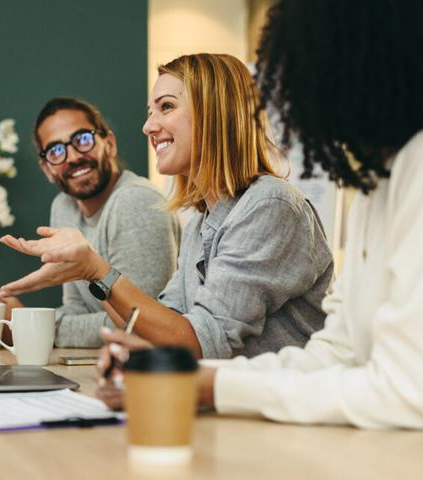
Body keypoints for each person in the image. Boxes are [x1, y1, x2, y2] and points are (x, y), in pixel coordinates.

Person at [97, 0, 423, 429]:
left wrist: (210, 385)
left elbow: (406, 393)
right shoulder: (374, 186)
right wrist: (192, 377)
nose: (287, 98)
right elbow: (333, 355)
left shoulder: (276, 203)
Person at [0, 54, 334, 359]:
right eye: (150, 112)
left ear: (213, 112)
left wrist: (94, 270)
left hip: (279, 417)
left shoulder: (269, 205)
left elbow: (199, 342)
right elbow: (159, 327)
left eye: (167, 107)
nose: (148, 126)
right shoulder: (201, 223)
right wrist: (89, 275)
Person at [0, 97, 179, 347]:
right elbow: (77, 308)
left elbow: (140, 328)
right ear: (47, 169)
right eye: (56, 151)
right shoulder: (64, 207)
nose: (72, 157)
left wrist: (28, 326)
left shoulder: (136, 201)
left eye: (82, 139)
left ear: (109, 144)